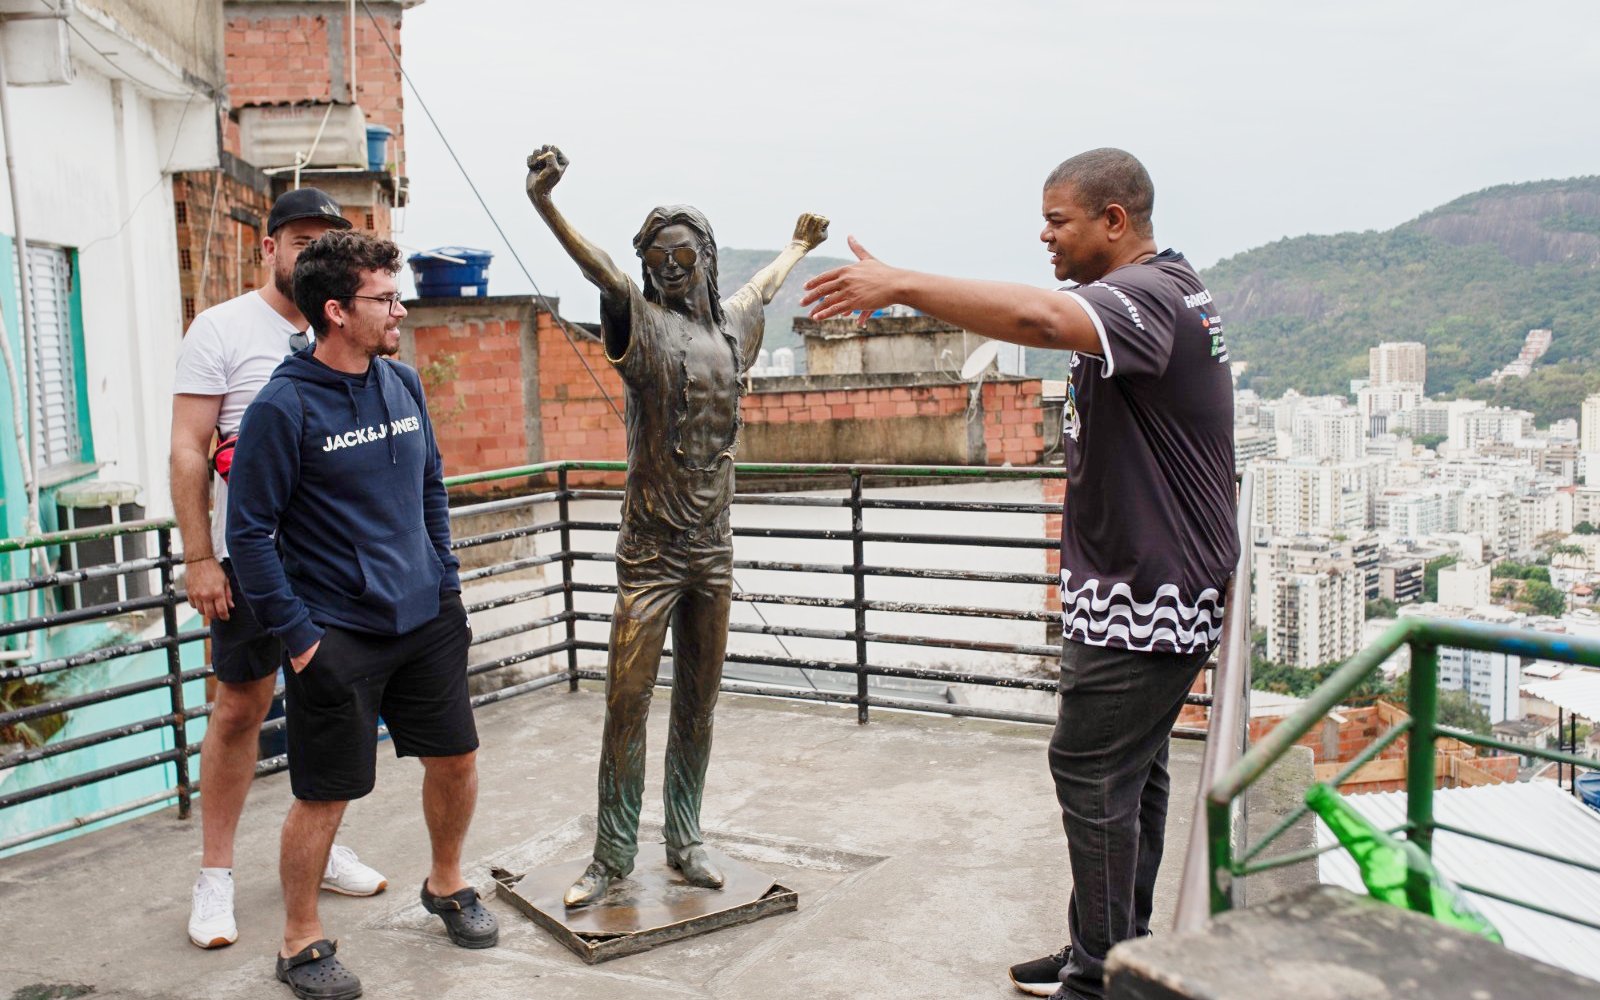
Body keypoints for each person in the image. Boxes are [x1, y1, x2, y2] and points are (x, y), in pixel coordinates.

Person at [801, 148, 1238, 1000]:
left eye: (1058, 220)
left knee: (1089, 771)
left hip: (1149, 597)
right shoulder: (1162, 287)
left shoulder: (1147, 298)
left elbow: (1039, 320)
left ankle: (1104, 978)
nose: (1044, 236)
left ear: (1115, 220)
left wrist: (901, 284)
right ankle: (1108, 950)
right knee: (1132, 774)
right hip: (1139, 586)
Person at [524, 144, 829, 907]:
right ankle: (610, 856)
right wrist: (545, 204)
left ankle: (685, 838)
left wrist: (797, 246)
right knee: (626, 701)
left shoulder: (732, 329)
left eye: (683, 255)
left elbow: (761, 288)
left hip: (712, 552)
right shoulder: (643, 328)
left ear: (705, 257)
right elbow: (602, 271)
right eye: (658, 257)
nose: (670, 267)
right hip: (652, 553)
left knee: (699, 699)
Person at [226, 230, 496, 999]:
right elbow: (247, 535)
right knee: (326, 793)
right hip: (337, 633)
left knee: (456, 759)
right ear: (338, 311)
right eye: (386, 298)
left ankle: (446, 883)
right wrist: (302, 641)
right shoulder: (283, 406)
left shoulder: (401, 384)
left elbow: (431, 486)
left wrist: (445, 583)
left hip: (426, 618)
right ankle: (301, 942)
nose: (401, 309)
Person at [170, 188, 387, 951]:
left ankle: (322, 850)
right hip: (250, 557)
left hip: (337, 564)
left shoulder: (353, 324)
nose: (310, 251)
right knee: (238, 709)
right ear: (269, 247)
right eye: (299, 239)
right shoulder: (223, 329)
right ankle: (216, 875)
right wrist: (200, 555)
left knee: (333, 705)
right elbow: (189, 447)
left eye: (326, 240)